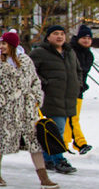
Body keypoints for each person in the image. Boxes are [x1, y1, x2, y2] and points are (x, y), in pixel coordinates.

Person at [0, 32, 59, 189]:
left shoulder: (26, 61)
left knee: (34, 142)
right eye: (1, 43)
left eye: (5, 43)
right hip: (6, 109)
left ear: (13, 45)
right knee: (1, 141)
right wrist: (0, 104)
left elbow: (35, 81)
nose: (2, 46)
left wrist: (35, 98)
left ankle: (44, 178)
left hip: (27, 109)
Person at [29, 25, 80, 174]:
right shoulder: (39, 53)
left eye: (62, 34)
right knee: (57, 130)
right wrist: (44, 83)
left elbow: (78, 71)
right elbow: (29, 72)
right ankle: (59, 160)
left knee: (55, 129)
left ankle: (48, 158)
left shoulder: (70, 52)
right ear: (48, 37)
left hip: (67, 98)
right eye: (56, 34)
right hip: (49, 98)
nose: (60, 36)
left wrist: (78, 84)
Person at [66, 24, 94, 154]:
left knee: (71, 118)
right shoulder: (70, 51)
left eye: (89, 38)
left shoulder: (89, 55)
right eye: (84, 37)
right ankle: (79, 143)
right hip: (68, 89)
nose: (86, 40)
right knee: (71, 117)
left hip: (79, 90)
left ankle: (66, 143)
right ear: (78, 38)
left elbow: (84, 72)